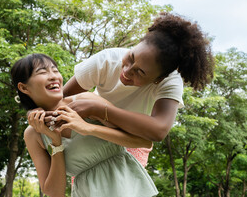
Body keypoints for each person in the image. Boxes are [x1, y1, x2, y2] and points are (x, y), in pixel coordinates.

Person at [11, 53, 158, 197]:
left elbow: (143, 141)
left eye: (55, 70)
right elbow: (56, 194)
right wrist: (55, 142)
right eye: (42, 71)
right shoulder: (33, 134)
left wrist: (88, 128)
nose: (54, 76)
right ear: (24, 87)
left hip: (127, 194)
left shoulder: (86, 100)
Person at [61, 12, 214, 167]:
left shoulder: (170, 82)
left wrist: (100, 109)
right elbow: (62, 97)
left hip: (132, 141)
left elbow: (159, 130)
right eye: (131, 57)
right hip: (92, 134)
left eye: (140, 72)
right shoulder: (106, 60)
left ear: (158, 79)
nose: (127, 71)